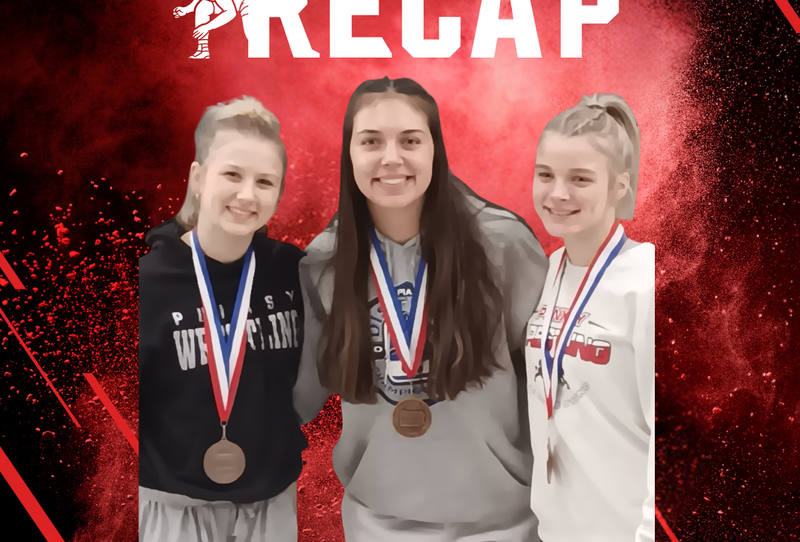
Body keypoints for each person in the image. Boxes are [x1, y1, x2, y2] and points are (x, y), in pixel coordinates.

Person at [295, 77, 548, 541]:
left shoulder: (503, 244)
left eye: (410, 140)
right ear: (349, 152)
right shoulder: (323, 262)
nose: (391, 158)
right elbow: (293, 398)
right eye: (371, 141)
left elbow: (548, 383)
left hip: (504, 523)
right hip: (380, 523)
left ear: (436, 150)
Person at [139, 96, 306, 542]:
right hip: (176, 506)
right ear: (197, 178)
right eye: (232, 174)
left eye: (265, 182)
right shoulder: (147, 279)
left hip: (270, 503)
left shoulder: (294, 272)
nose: (247, 194)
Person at [525, 94, 655, 542]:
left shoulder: (649, 281)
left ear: (620, 185)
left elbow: (674, 444)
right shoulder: (545, 271)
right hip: (554, 532)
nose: (558, 193)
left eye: (580, 178)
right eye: (546, 175)